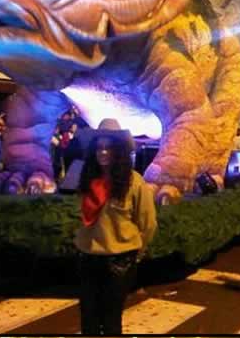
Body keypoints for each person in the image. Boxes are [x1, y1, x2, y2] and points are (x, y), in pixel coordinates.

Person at [75, 119, 157, 335]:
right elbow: (81, 217)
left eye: (108, 148)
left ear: (118, 151)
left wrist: (136, 255)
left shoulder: (134, 182)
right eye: (99, 148)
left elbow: (148, 223)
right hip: (88, 257)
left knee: (111, 320)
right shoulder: (88, 179)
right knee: (88, 319)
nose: (103, 153)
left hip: (119, 262)